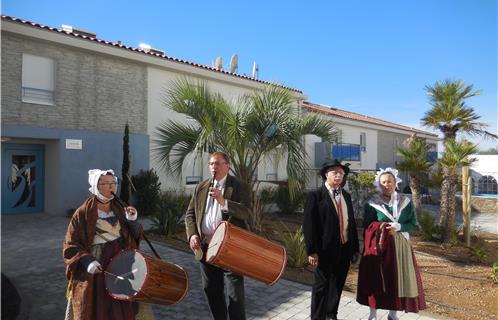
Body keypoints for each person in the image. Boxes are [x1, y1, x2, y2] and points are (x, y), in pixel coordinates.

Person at [63, 169, 143, 320]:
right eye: (105, 183)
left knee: (122, 302)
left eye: (113, 183)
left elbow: (134, 236)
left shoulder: (120, 208)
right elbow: (71, 244)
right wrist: (87, 261)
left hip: (121, 262)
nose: (111, 187)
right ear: (95, 186)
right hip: (97, 263)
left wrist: (133, 222)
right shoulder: (83, 212)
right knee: (97, 303)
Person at [185, 151, 252, 320]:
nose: (214, 167)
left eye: (218, 163)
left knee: (235, 294)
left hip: (230, 247)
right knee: (211, 290)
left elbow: (246, 213)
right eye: (211, 164)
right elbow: (190, 214)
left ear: (227, 166)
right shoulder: (201, 187)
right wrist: (192, 234)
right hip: (206, 247)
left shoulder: (238, 186)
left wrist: (224, 202)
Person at [356, 167, 426, 320]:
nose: (386, 184)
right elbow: (367, 225)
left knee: (396, 279)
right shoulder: (372, 203)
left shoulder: (405, 202)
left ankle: (393, 313)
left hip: (400, 247)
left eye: (389, 181)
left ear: (395, 183)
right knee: (376, 279)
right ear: (378, 184)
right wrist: (381, 228)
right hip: (378, 247)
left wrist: (399, 227)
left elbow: (413, 224)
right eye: (383, 182)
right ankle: (373, 314)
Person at [303, 159, 360, 320]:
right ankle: (317, 317)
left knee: (338, 285)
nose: (338, 175)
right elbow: (309, 225)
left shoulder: (346, 196)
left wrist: (355, 248)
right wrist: (312, 250)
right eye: (334, 172)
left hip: (344, 248)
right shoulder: (315, 196)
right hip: (324, 250)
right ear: (326, 175)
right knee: (321, 286)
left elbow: (351, 223)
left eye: (341, 173)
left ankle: (331, 314)